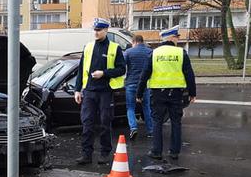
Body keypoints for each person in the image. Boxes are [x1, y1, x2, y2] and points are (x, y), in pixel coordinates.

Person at [136, 25, 196, 160]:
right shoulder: (181, 53)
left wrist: (139, 94)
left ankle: (156, 151)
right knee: (176, 122)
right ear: (170, 38)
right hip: (176, 93)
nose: (177, 39)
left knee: (157, 121)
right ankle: (174, 152)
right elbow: (189, 75)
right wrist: (192, 93)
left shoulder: (154, 53)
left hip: (158, 93)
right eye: (176, 37)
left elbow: (144, 75)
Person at [74, 17, 127, 165]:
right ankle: (86, 154)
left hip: (105, 91)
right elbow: (80, 70)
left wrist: (104, 73)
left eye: (99, 30)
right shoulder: (89, 47)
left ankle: (104, 153)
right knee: (87, 123)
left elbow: (121, 69)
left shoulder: (114, 48)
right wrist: (77, 90)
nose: (96, 33)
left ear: (106, 30)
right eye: (95, 30)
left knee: (105, 123)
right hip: (89, 91)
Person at [123, 34, 153, 140]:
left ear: (134, 42)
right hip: (145, 84)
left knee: (130, 107)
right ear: (142, 41)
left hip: (131, 83)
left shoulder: (128, 52)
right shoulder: (150, 52)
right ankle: (150, 131)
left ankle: (133, 127)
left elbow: (122, 66)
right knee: (147, 107)